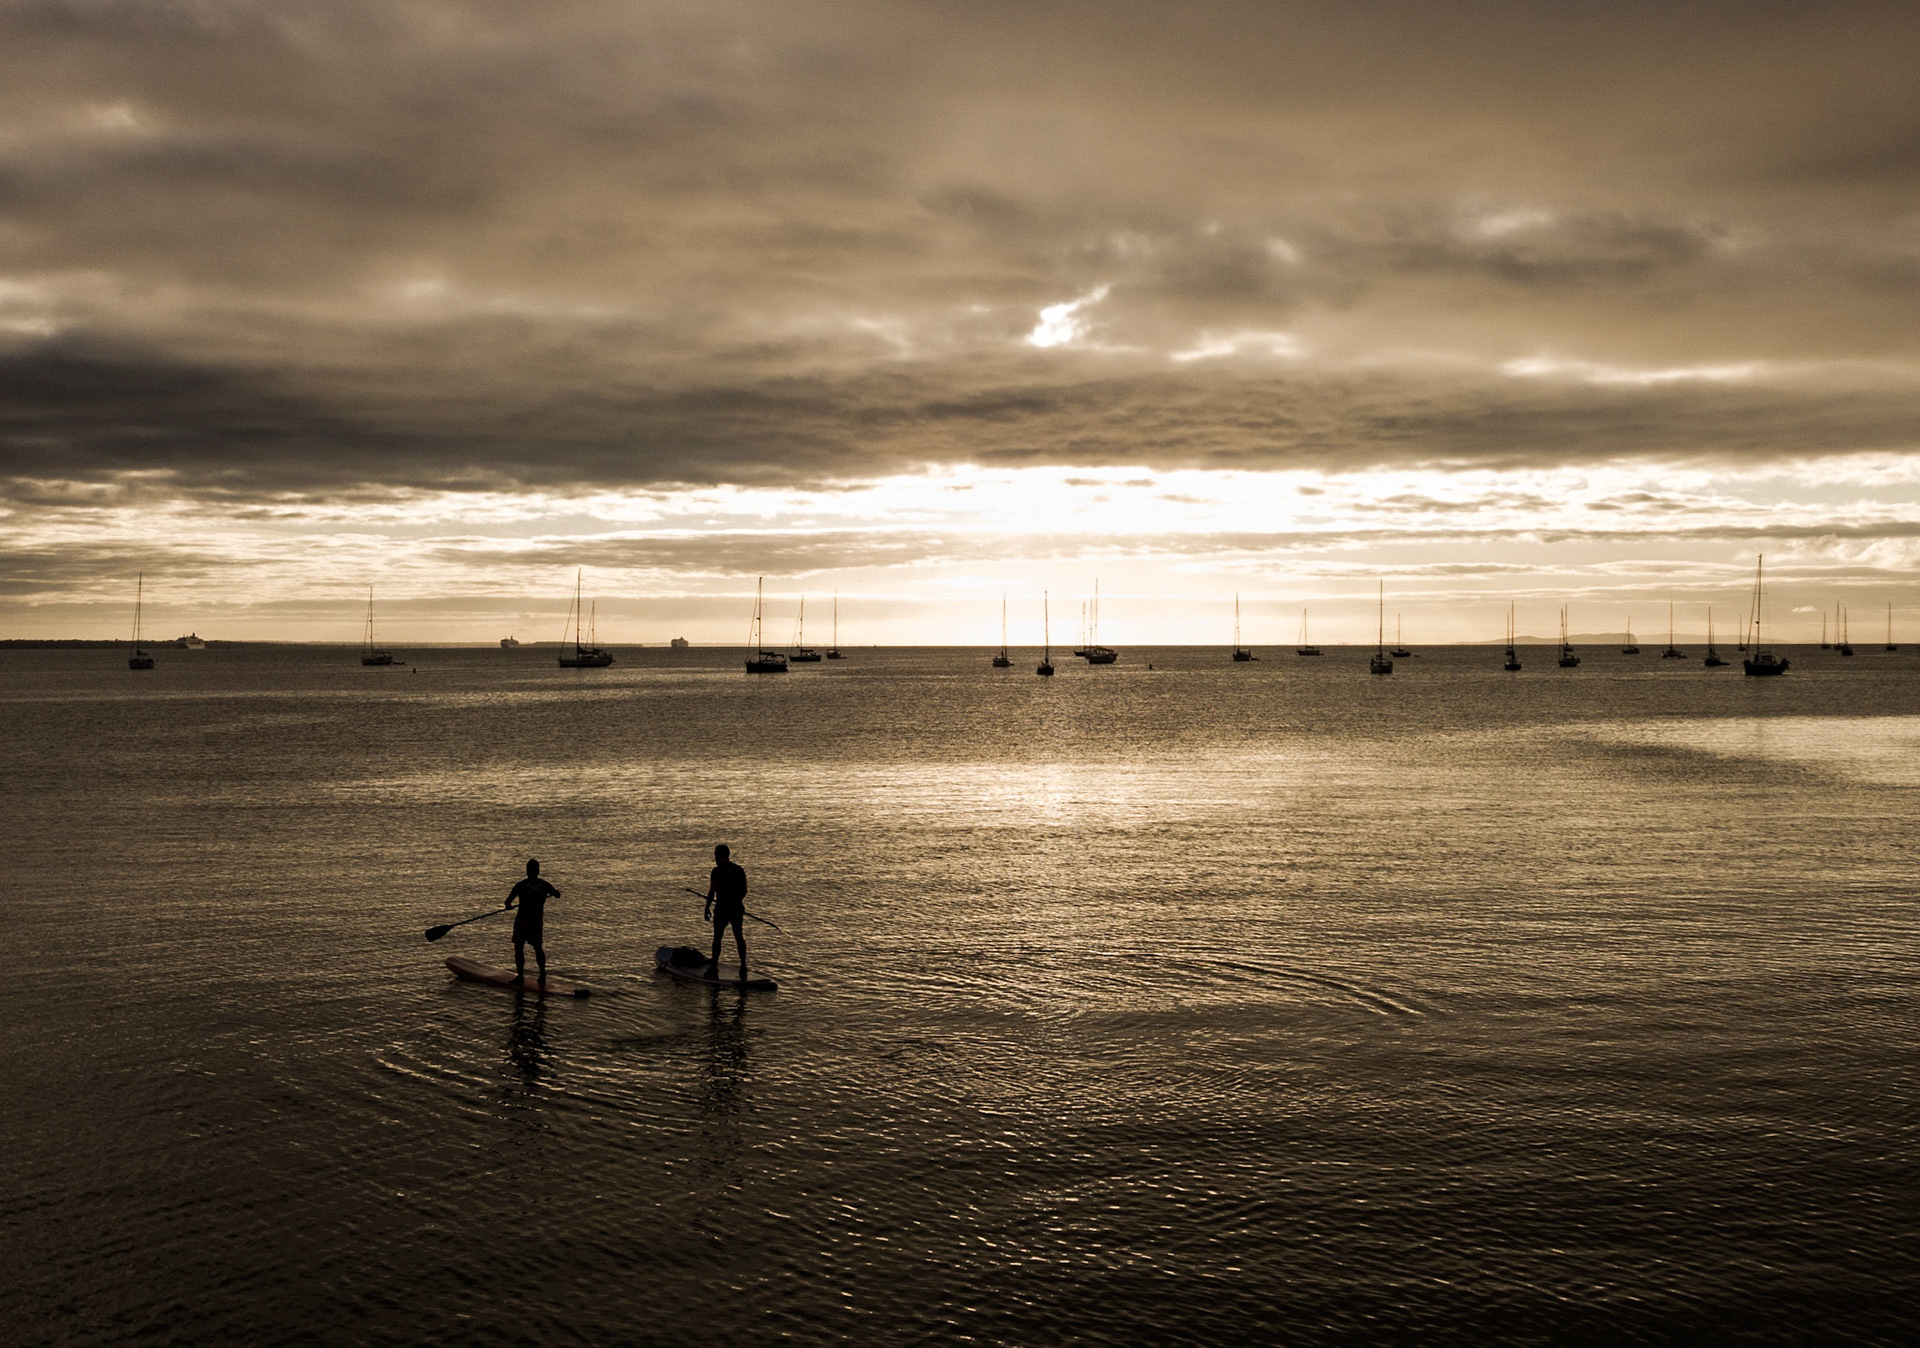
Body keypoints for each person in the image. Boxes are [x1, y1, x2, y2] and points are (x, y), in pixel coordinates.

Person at [504, 858, 560, 987]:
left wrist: (508, 906)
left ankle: (521, 977)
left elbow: (508, 902)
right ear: (538, 871)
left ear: (527, 871)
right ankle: (542, 975)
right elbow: (557, 895)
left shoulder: (520, 885)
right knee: (538, 948)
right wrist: (556, 892)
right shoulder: (545, 885)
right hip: (536, 920)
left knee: (519, 947)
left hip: (523, 919)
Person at [704, 844, 749, 982]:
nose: (714, 857)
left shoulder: (717, 871)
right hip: (736, 908)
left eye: (715, 855)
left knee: (717, 937)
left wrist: (706, 908)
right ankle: (743, 965)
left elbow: (712, 891)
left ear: (720, 856)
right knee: (739, 936)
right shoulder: (739, 870)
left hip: (722, 909)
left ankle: (714, 965)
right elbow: (744, 891)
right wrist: (735, 901)